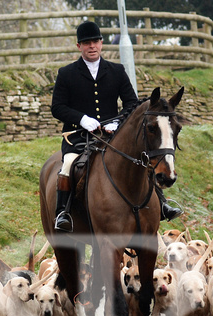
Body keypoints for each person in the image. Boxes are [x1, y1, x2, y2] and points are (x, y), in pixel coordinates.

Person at [51, 21, 182, 232]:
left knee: (143, 161)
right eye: (86, 43)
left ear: (101, 43)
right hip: (79, 138)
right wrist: (82, 119)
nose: (91, 46)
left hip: (112, 136)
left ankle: (163, 204)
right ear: (79, 46)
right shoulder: (66, 73)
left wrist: (117, 122)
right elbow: (57, 107)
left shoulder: (116, 71)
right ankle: (63, 213)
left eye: (95, 41)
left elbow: (132, 103)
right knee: (67, 165)